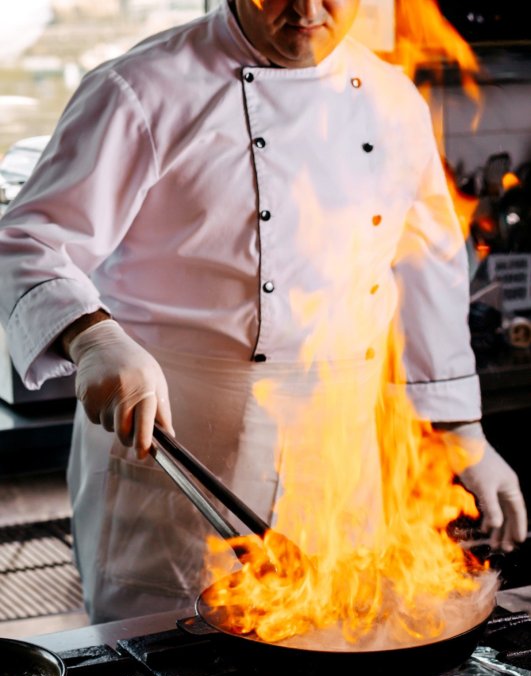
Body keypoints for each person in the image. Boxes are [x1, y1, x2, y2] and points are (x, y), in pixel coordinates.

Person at [0, 0, 527, 623]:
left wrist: (460, 429)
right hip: (181, 446)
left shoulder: (392, 97)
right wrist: (92, 339)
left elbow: (426, 266)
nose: (306, 9)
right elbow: (27, 242)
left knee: (334, 654)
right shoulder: (140, 89)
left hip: (340, 446)